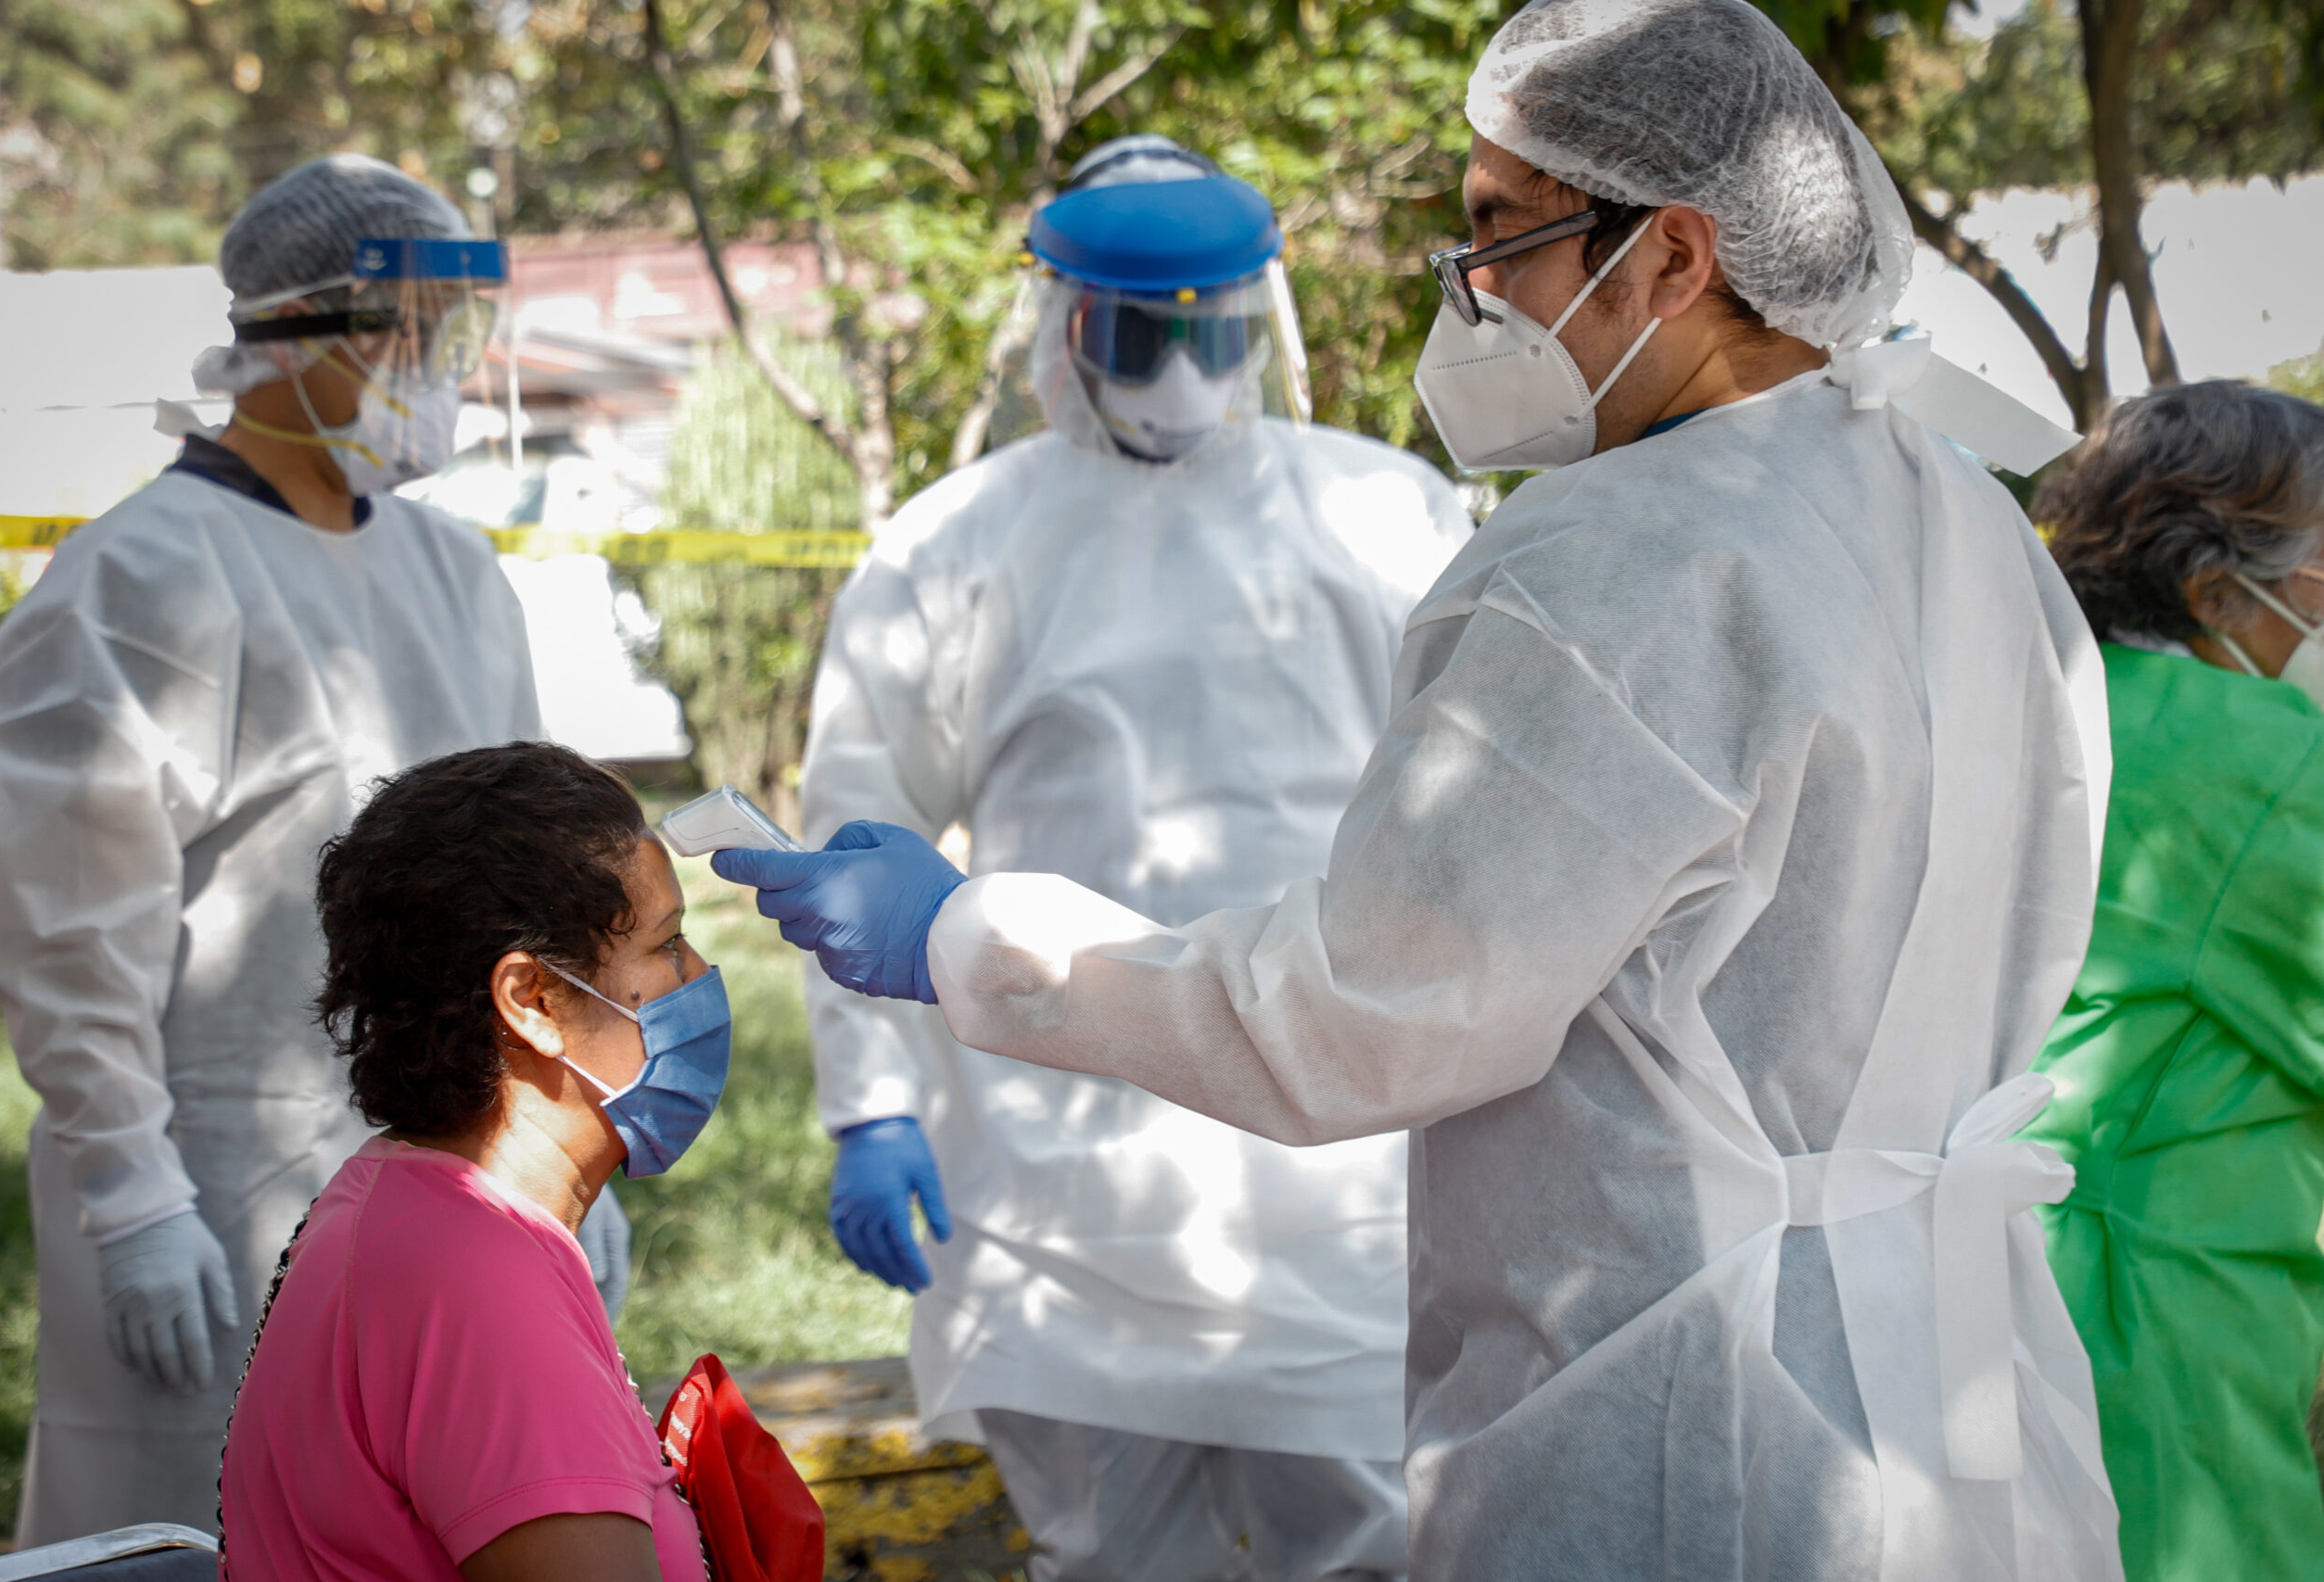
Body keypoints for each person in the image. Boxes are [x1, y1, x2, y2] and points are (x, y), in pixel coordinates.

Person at [715, 2, 2127, 1576]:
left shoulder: (1621, 557)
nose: (1477, 294)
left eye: (1502, 236)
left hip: (1692, 1404)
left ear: (1671, 256)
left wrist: (971, 937)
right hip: (1952, 1393)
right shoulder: (1960, 511)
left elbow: (1372, 1011)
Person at [796, 134, 1471, 1580]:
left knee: (1373, 1549)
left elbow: (1469, 812)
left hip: (1333, 1161)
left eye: (1208, 329)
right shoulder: (954, 545)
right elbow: (858, 827)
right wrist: (871, 1104)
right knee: (1106, 1554)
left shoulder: (1384, 513)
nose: (1178, 367)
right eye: (1137, 331)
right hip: (1057, 1173)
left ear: (1260, 320)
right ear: (1062, 325)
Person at [0, 153, 556, 1544]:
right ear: (291, 332)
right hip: (217, 1199)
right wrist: (131, 1193)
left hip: (460, 1177)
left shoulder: (459, 576)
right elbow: (69, 940)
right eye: (408, 333)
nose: (438, 371)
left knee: (431, 1526)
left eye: (452, 335)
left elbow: (527, 888)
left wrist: (561, 1145)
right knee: (204, 1530)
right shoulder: (141, 580)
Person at [222, 742, 723, 1582]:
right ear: (532, 1000)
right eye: (668, 944)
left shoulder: (408, 1204)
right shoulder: (478, 1285)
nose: (701, 974)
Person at [2022, 382, 2324, 1581]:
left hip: (1982, 1299)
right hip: (2163, 1335)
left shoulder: (2030, 691)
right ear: (2213, 586)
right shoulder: (2264, 760)